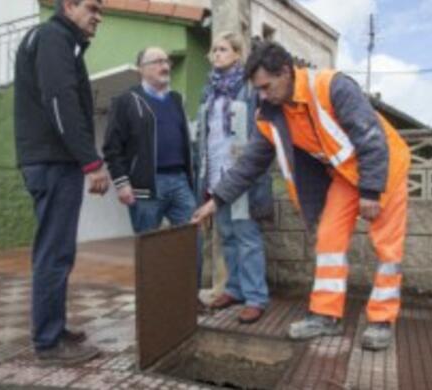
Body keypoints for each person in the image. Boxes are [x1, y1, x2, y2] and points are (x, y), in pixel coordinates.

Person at [192, 41, 411, 351]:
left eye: (266, 87)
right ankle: (325, 316)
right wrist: (215, 201)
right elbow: (249, 165)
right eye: (258, 89)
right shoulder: (270, 114)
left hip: (384, 166)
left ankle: (381, 320)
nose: (263, 95)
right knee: (329, 239)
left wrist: (372, 190)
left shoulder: (332, 86)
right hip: (346, 176)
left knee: (387, 249)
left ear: (285, 72)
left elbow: (370, 136)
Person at [14, 0, 108, 363]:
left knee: (56, 250)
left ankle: (54, 326)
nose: (98, 16)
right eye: (92, 7)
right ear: (69, 5)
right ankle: (48, 342)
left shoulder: (54, 39)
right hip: (53, 162)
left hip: (48, 160)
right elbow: (59, 102)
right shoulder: (54, 37)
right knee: (55, 252)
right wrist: (91, 161)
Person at [195, 32, 273, 324]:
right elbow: (206, 136)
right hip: (216, 173)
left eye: (223, 49)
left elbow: (259, 134)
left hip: (242, 175)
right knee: (227, 235)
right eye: (214, 50)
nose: (216, 54)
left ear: (238, 54)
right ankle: (236, 288)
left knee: (247, 237)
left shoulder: (250, 89)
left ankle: (256, 297)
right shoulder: (209, 91)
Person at [103, 47, 196, 234]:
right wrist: (122, 184)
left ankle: (188, 266)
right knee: (148, 247)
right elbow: (112, 148)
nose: (165, 66)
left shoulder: (177, 99)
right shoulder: (126, 100)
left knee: (192, 241)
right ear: (141, 69)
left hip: (180, 182)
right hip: (145, 185)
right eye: (157, 62)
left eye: (166, 61)